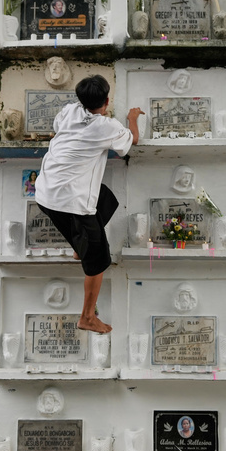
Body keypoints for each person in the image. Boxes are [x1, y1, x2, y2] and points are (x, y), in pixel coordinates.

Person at [34, 75, 143, 334]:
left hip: (46, 193)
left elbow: (60, 124)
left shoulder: (69, 111)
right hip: (72, 202)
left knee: (106, 199)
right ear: (106, 101)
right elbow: (132, 141)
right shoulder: (107, 126)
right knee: (99, 262)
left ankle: (78, 246)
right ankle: (87, 317)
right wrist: (133, 119)